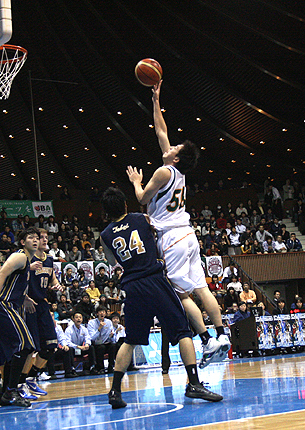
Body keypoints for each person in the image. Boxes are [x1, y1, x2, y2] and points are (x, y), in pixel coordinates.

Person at [127, 81, 229, 369]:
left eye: (175, 147)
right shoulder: (178, 172)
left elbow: (143, 200)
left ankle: (207, 339)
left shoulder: (162, 172)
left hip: (170, 237)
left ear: (176, 157)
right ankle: (223, 336)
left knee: (178, 292)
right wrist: (156, 98)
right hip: (188, 234)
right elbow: (161, 131)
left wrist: (136, 183)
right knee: (202, 287)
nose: (170, 146)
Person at [100, 187, 222, 408]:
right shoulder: (141, 218)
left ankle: (115, 391)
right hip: (154, 280)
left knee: (130, 339)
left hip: (133, 286)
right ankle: (194, 383)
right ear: (125, 205)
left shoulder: (105, 235)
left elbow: (111, 262)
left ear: (106, 212)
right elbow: (162, 233)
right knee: (183, 331)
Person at [0, 228, 40, 408]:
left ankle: (6, 391)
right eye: (30, 237)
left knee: (12, 352)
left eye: (37, 237)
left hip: (9, 305)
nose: (35, 240)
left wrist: (25, 297)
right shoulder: (20, 256)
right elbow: (0, 275)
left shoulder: (27, 262)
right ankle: (11, 390)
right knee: (25, 345)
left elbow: (14, 282)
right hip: (3, 305)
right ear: (22, 242)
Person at [19, 228, 61, 399]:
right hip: (28, 305)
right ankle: (19, 384)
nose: (43, 240)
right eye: (39, 237)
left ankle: (31, 378)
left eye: (44, 237)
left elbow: (52, 278)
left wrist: (57, 284)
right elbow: (15, 280)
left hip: (43, 305)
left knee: (51, 347)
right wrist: (24, 297)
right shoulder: (25, 258)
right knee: (30, 349)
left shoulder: (49, 260)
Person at [65, 311, 97, 375]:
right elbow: (67, 342)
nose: (78, 319)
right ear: (73, 319)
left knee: (91, 348)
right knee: (69, 349)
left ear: (82, 319)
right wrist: (77, 347)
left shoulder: (84, 329)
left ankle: (92, 367)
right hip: (74, 350)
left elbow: (88, 338)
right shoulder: (69, 329)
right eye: (76, 317)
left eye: (80, 317)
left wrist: (87, 344)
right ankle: (72, 369)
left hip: (81, 350)